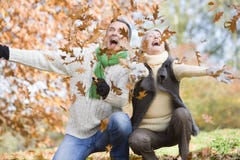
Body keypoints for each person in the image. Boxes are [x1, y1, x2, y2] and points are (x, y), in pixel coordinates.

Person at [0, 18, 148, 160]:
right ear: (105, 35)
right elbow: (46, 58)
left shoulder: (127, 66)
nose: (115, 33)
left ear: (126, 42)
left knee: (121, 121)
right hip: (78, 135)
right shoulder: (82, 56)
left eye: (121, 32)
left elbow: (123, 99)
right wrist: (8, 53)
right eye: (111, 29)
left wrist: (108, 93)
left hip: (106, 133)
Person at [128, 28, 232, 160]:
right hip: (147, 133)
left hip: (172, 130)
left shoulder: (171, 66)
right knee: (136, 140)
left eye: (159, 36)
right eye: (150, 36)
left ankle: (185, 156)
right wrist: (131, 78)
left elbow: (187, 70)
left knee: (182, 113)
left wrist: (210, 71)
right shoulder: (137, 69)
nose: (156, 38)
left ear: (164, 44)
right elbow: (123, 87)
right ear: (143, 45)